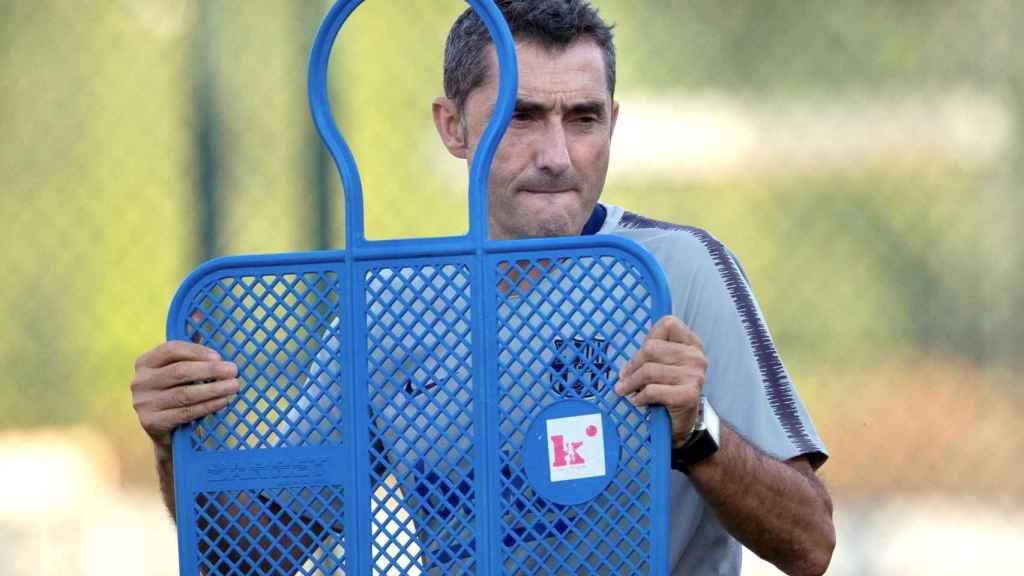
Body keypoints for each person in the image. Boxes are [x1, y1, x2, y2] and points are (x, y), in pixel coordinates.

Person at [131, 1, 835, 574]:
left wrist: (698, 434)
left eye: (583, 118)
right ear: (453, 126)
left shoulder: (678, 271)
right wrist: (176, 442)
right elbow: (250, 557)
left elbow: (810, 543)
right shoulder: (392, 305)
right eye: (522, 117)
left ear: (613, 124)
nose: (558, 155)